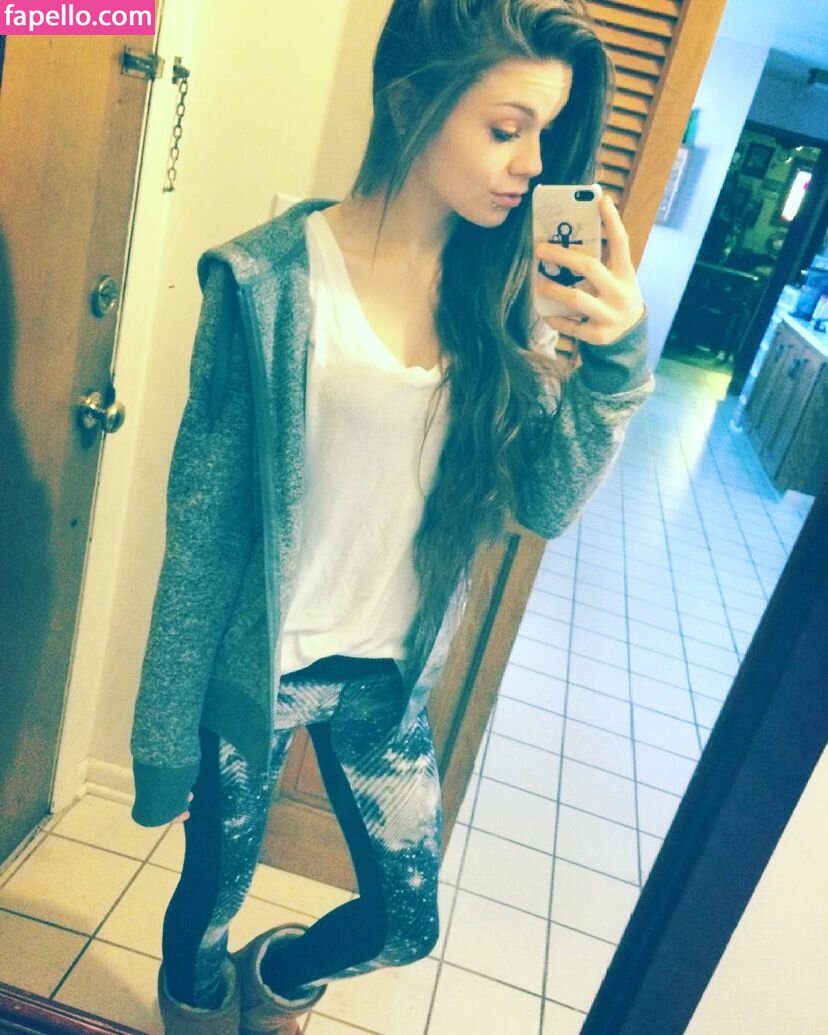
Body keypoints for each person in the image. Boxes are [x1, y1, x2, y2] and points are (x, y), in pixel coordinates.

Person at [130, 1, 653, 1032]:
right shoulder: (266, 284)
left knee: (406, 921)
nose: (531, 165)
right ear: (411, 102)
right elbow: (201, 532)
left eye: (546, 135)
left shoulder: (502, 300)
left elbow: (544, 500)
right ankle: (193, 1012)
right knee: (209, 899)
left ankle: (278, 975)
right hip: (255, 672)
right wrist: (162, 734)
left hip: (384, 679)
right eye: (506, 128)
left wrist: (615, 367)